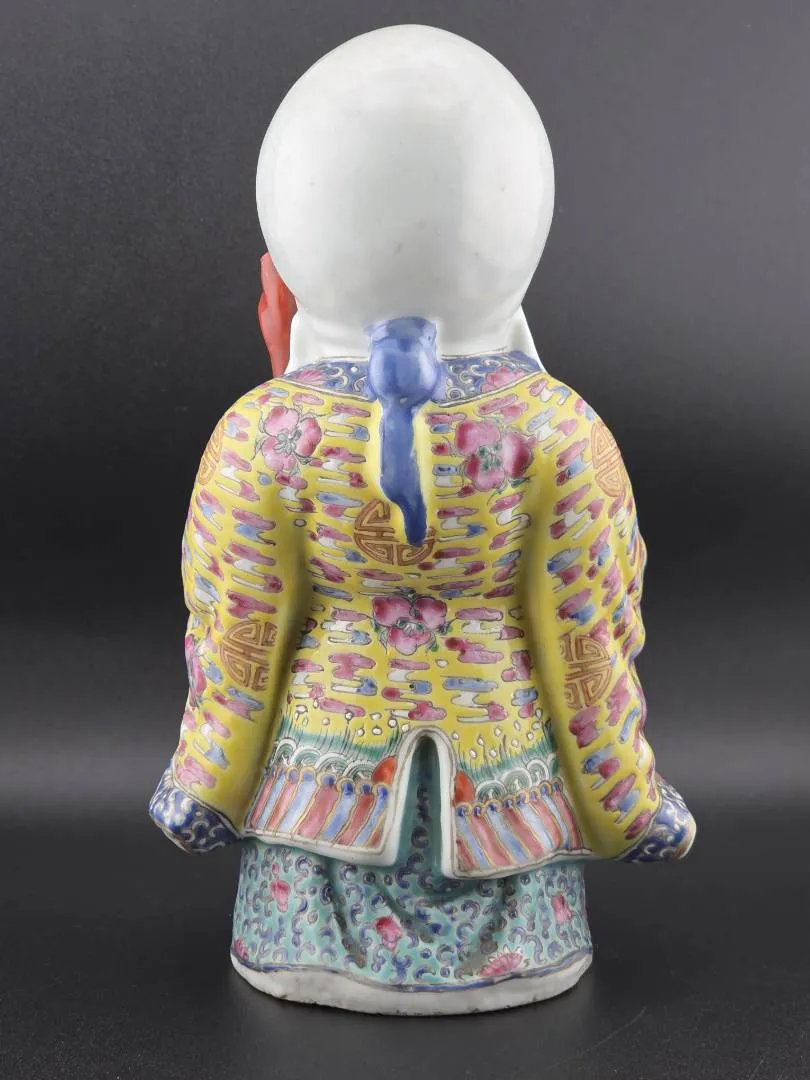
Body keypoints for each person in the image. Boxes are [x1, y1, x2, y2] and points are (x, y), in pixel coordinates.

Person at [149, 24, 695, 1014]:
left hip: (315, 821)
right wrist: (627, 800)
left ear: (281, 279)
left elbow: (236, 636)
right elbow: (589, 642)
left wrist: (202, 787)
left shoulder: (266, 435)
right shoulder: (558, 431)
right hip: (509, 807)